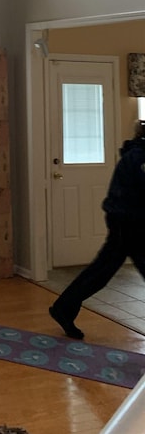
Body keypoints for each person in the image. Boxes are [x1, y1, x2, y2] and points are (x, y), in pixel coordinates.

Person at [49, 120, 145, 340]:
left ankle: (63, 308)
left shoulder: (137, 154)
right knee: (102, 270)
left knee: (102, 270)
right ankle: (63, 308)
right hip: (128, 223)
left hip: (129, 221)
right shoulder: (138, 158)